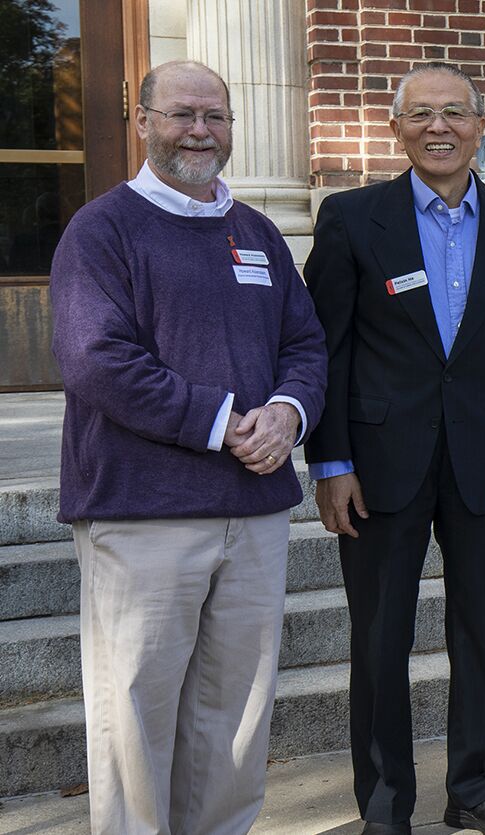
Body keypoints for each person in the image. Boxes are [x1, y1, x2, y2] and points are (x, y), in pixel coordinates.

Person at [48, 60, 326, 834]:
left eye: (215, 115)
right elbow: (96, 358)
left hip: (254, 514)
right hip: (143, 516)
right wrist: (223, 420)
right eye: (181, 114)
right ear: (142, 122)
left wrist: (287, 411)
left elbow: (305, 342)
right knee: (133, 714)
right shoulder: (101, 230)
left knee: (236, 717)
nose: (200, 130)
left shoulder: (259, 233)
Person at [303, 62, 485, 835]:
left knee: (483, 627)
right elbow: (327, 348)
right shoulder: (351, 218)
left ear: (483, 125)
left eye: (455, 113)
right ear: (397, 129)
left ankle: (478, 787)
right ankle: (385, 804)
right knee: (380, 636)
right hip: (379, 465)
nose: (439, 127)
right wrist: (331, 461)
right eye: (421, 115)